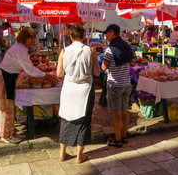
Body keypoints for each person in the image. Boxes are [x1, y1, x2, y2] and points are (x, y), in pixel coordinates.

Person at [57, 25, 100, 163]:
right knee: (84, 122)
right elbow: (97, 72)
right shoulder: (90, 51)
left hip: (68, 89)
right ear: (83, 37)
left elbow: (59, 74)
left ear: (70, 37)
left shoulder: (64, 51)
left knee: (66, 120)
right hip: (85, 90)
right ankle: (79, 156)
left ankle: (62, 154)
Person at [0, 28, 45, 143]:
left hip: (8, 76)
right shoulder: (19, 49)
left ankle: (8, 133)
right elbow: (29, 69)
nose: (32, 40)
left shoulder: (21, 48)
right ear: (24, 38)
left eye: (33, 38)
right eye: (30, 38)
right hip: (5, 78)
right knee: (7, 107)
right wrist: (45, 75)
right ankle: (6, 136)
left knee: (9, 106)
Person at [101, 24, 133, 148]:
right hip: (126, 83)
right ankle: (124, 136)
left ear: (112, 33)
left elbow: (104, 67)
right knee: (124, 111)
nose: (106, 36)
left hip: (114, 84)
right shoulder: (127, 46)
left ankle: (118, 139)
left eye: (107, 33)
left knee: (116, 114)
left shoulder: (110, 49)